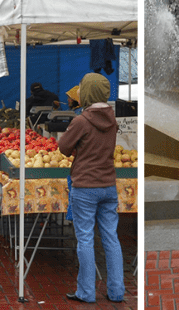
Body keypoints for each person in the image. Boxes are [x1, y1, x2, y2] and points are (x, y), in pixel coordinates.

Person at [59, 73, 124, 304]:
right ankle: (117, 292)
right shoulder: (112, 119)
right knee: (111, 238)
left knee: (85, 239)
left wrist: (79, 150)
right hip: (108, 185)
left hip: (85, 186)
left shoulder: (81, 121)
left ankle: (86, 292)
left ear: (85, 93)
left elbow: (63, 148)